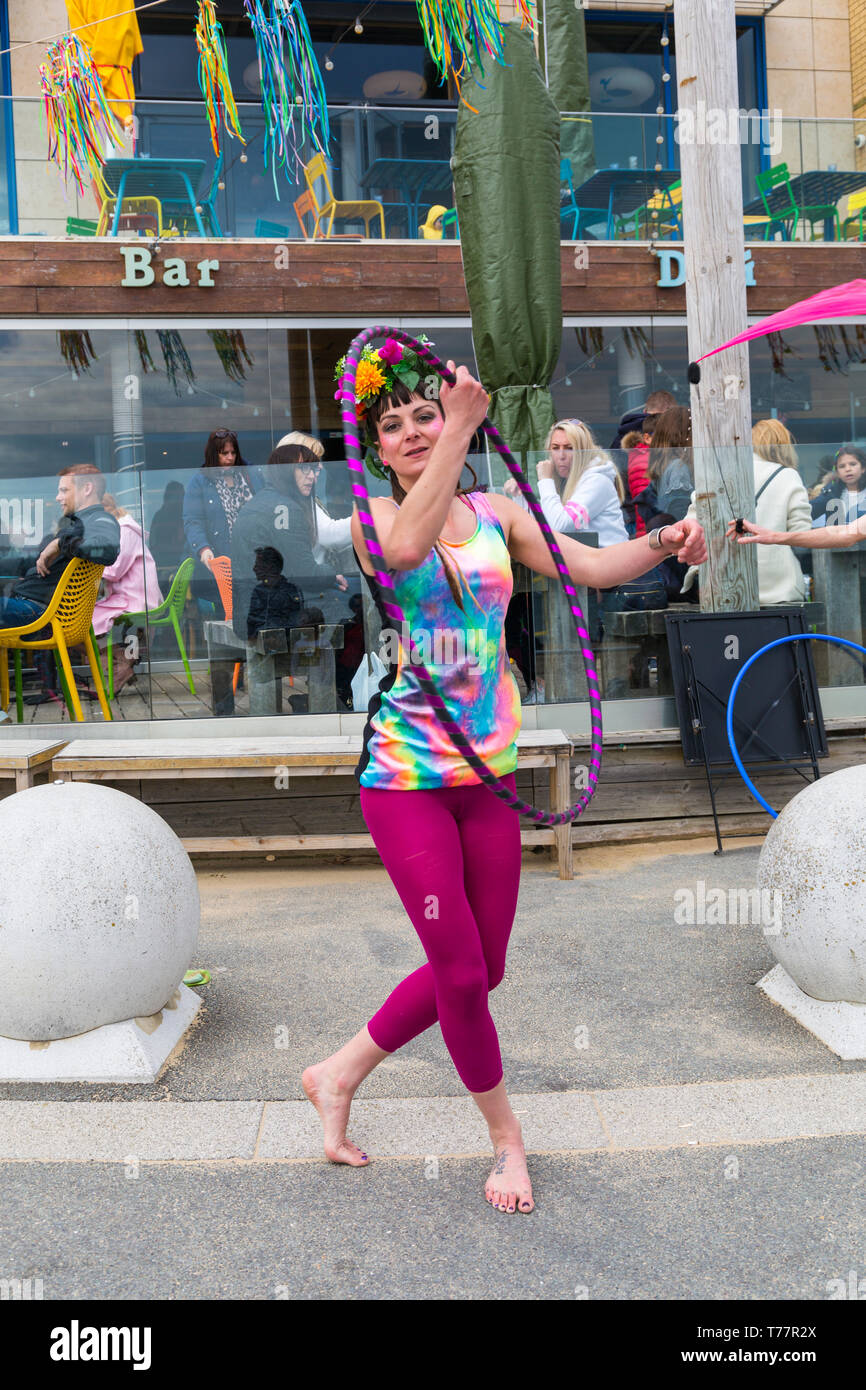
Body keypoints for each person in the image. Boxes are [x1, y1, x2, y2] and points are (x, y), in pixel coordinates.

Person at [301, 340, 707, 1215]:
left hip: (488, 774)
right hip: (407, 780)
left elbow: (590, 568)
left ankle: (336, 1074)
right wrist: (460, 427)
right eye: (396, 424)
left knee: (484, 972)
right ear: (375, 447)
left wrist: (664, 542)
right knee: (456, 968)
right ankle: (506, 1141)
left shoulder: (497, 511)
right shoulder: (375, 519)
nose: (413, 431)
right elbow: (410, 551)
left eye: (424, 415)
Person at [0, 464, 121, 714]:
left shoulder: (100, 520)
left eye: (64, 490)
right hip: (31, 606)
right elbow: (30, 563)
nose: (58, 497)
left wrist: (59, 542)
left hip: (39, 613)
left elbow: (106, 549)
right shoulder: (78, 523)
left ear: (87, 488)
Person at [686, 419, 810, 605]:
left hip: (720, 583)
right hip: (778, 585)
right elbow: (801, 535)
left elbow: (692, 523)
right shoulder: (788, 476)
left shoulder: (717, 473)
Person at [90, 480, 163, 695]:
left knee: (84, 619)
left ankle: (121, 663)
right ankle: (122, 663)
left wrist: (91, 567)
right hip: (129, 594)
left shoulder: (125, 531)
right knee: (87, 619)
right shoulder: (121, 529)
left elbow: (114, 571)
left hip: (136, 598)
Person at [182, 429, 262, 608]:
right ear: (213, 454)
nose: (230, 457)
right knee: (229, 617)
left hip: (256, 561)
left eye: (233, 452)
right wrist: (203, 549)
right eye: (224, 453)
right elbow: (192, 520)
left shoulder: (251, 474)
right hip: (223, 565)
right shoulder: (199, 481)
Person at [811, 444, 866, 529]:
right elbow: (808, 512)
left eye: (853, 464)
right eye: (842, 466)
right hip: (839, 541)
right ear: (838, 473)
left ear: (863, 468)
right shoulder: (831, 493)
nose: (848, 469)